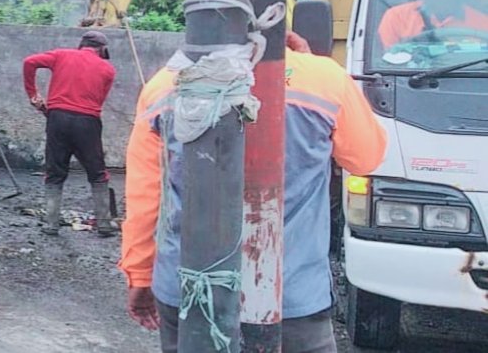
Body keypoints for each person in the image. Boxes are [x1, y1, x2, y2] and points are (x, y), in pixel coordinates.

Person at [119, 32, 388, 353]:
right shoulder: (324, 79)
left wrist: (139, 275)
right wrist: (309, 64)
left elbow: (146, 197)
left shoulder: (164, 86)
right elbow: (366, 157)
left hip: (189, 293)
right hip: (291, 296)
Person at [22, 30, 117, 237]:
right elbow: (99, 101)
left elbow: (29, 62)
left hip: (57, 118)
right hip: (88, 121)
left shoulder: (61, 55)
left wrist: (33, 94)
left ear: (81, 45)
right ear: (101, 49)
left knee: (55, 171)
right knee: (97, 172)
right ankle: (104, 223)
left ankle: (51, 224)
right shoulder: (108, 69)